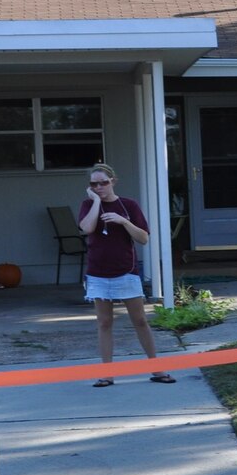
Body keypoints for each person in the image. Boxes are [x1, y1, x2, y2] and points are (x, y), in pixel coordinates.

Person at [77, 162, 173, 387]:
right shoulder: (87, 205)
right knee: (104, 323)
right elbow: (87, 228)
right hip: (98, 273)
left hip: (126, 271)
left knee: (139, 320)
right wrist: (97, 202)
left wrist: (123, 220)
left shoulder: (128, 205)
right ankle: (107, 373)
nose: (100, 187)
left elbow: (143, 238)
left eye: (104, 183)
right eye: (94, 184)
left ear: (113, 181)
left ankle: (156, 368)